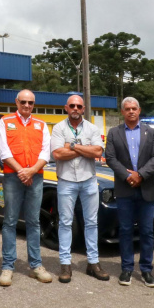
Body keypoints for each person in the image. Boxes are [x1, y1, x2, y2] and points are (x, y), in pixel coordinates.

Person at [49, 94, 109, 283]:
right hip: (66, 181)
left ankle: (93, 262)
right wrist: (84, 148)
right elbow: (57, 154)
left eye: (79, 106)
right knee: (65, 223)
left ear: (83, 109)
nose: (75, 108)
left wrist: (72, 146)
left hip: (88, 180)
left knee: (92, 222)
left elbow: (98, 152)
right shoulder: (58, 128)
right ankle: (65, 264)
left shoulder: (92, 128)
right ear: (66, 108)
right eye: (72, 105)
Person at [0, 89, 52, 286]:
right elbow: (3, 151)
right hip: (13, 177)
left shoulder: (41, 125)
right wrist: (22, 171)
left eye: (30, 103)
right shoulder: (5, 121)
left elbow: (46, 152)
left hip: (35, 177)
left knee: (34, 222)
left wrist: (32, 171)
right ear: (16, 102)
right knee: (10, 221)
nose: (27, 106)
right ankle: (8, 266)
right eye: (23, 102)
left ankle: (36, 265)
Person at [104, 97, 154, 287]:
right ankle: (127, 268)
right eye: (127, 109)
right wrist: (128, 176)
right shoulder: (114, 132)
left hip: (146, 187)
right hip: (124, 188)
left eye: (134, 108)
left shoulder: (151, 133)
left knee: (147, 231)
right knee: (126, 230)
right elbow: (111, 158)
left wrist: (141, 175)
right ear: (122, 112)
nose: (131, 111)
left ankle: (146, 270)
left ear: (139, 110)